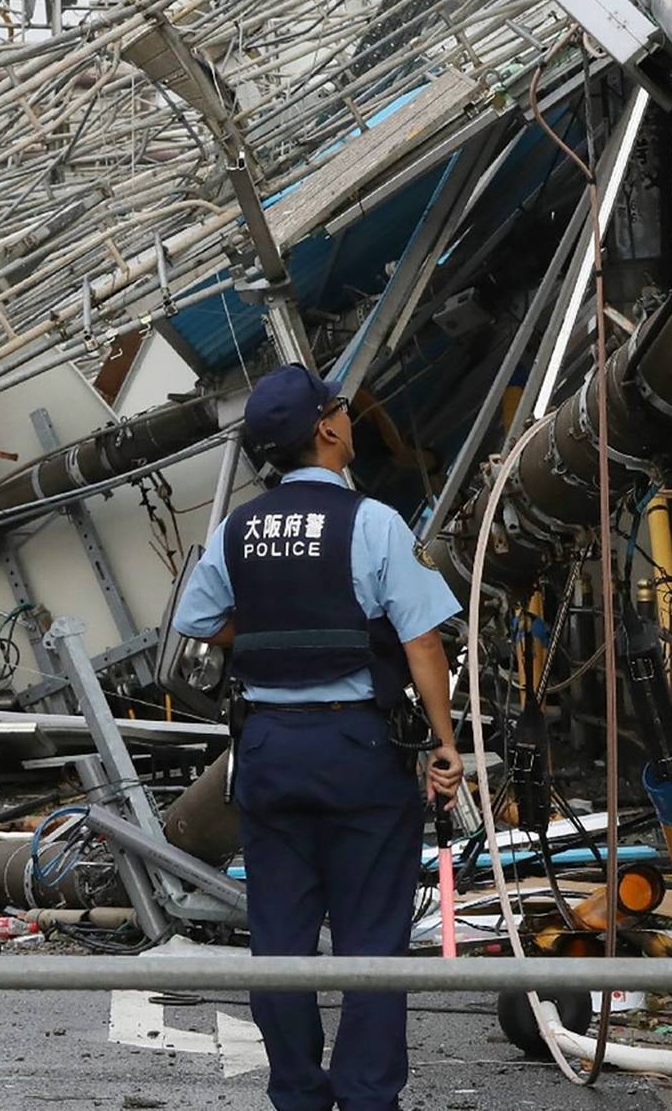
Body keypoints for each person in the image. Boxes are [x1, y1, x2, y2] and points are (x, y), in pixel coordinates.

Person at [172, 363, 464, 1111]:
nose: (348, 419)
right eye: (340, 409)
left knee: (279, 935)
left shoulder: (239, 526)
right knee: (372, 937)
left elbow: (197, 620)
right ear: (328, 429)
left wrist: (269, 635)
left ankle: (298, 1094)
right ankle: (367, 1096)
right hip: (361, 750)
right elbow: (423, 640)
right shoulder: (373, 521)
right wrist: (444, 741)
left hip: (269, 748)